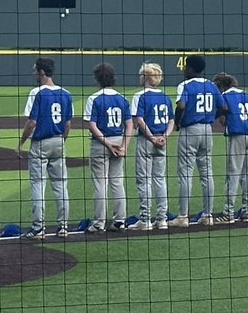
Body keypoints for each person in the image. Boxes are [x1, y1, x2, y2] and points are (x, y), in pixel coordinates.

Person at [17, 57, 73, 239]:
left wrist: (21, 143)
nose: (34, 73)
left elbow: (31, 122)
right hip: (58, 141)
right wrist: (62, 141)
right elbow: (68, 124)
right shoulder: (66, 93)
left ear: (41, 72)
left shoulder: (37, 92)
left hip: (40, 143)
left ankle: (38, 228)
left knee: (38, 184)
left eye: (35, 70)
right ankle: (63, 226)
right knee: (60, 185)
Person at [173, 54, 222, 227]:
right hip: (207, 130)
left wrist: (177, 122)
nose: (184, 69)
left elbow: (181, 106)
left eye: (186, 66)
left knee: (185, 173)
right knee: (206, 173)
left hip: (190, 130)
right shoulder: (212, 85)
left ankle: (182, 216)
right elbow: (223, 107)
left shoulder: (185, 85)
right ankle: (208, 215)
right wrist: (209, 117)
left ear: (192, 69)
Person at [82, 62, 131, 232]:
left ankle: (99, 223)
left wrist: (106, 142)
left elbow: (91, 125)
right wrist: (124, 145)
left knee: (100, 183)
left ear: (97, 79)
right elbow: (129, 124)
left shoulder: (94, 98)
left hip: (100, 143)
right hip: (118, 140)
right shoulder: (122, 98)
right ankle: (120, 220)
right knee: (117, 182)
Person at [129, 62, 173, 231]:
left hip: (146, 141)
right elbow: (171, 120)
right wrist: (164, 137)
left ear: (146, 77)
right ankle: (162, 219)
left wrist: (152, 137)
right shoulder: (165, 96)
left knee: (144, 180)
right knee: (160, 179)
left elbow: (139, 120)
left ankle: (145, 219)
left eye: (142, 75)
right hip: (161, 142)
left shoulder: (140, 95)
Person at [213, 73, 248, 223]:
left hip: (237, 136)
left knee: (233, 174)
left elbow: (222, 115)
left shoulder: (224, 95)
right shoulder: (245, 95)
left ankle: (228, 213)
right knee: (247, 175)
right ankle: (247, 210)